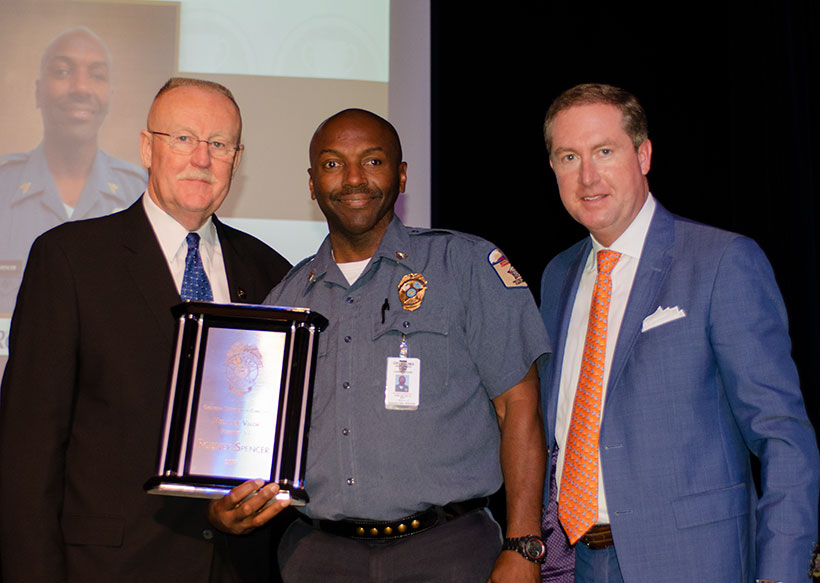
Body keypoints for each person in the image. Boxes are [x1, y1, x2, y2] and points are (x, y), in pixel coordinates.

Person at [222, 108, 550, 582]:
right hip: (317, 558)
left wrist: (523, 544)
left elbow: (518, 405)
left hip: (449, 553)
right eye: (333, 164)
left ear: (400, 175)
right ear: (312, 184)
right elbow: (258, 435)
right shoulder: (288, 299)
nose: (353, 179)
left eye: (372, 161)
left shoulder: (465, 265)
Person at [0, 77, 291, 582]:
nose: (201, 158)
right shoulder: (70, 260)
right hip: (108, 566)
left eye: (218, 144)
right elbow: (27, 456)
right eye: (182, 138)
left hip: (239, 569)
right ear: (145, 147)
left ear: (236, 160)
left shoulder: (272, 272)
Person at [538, 83, 820, 583]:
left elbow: (782, 437)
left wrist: (781, 573)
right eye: (568, 157)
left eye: (604, 151)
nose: (587, 175)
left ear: (643, 155)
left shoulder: (721, 262)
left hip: (695, 562)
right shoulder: (557, 276)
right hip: (577, 564)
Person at [0, 26, 146, 322]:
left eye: (97, 75)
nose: (81, 88)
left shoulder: (141, 194)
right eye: (63, 71)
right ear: (38, 91)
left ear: (110, 95)